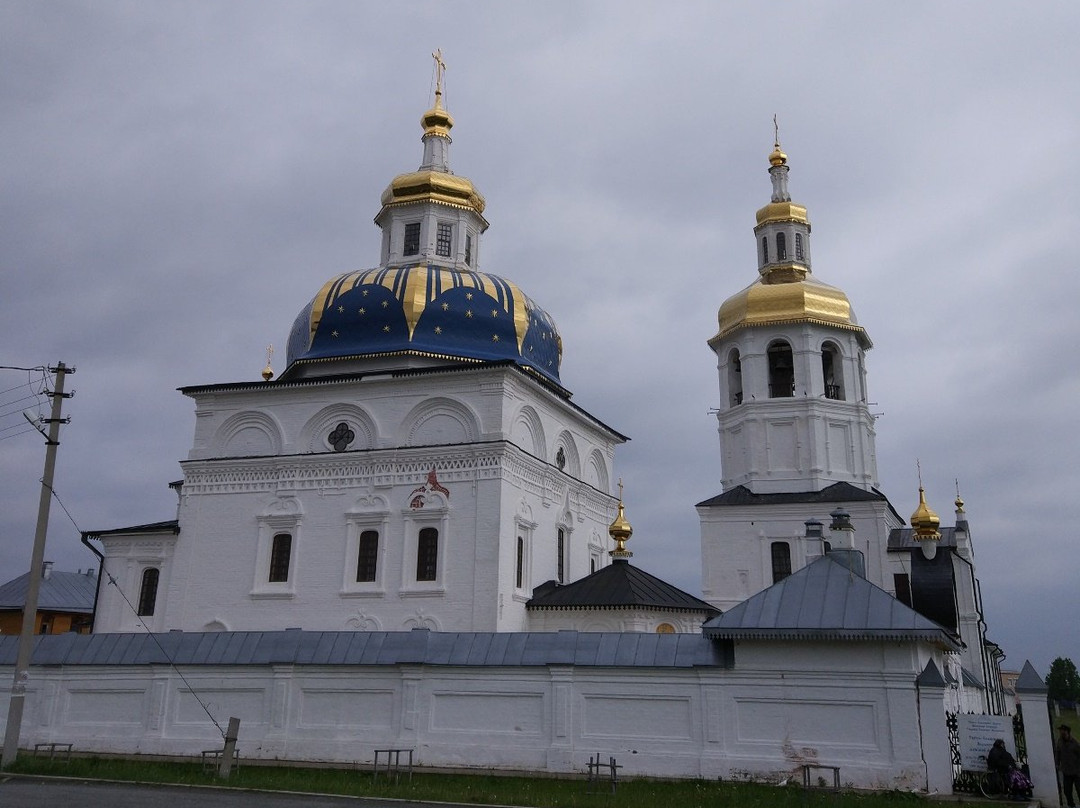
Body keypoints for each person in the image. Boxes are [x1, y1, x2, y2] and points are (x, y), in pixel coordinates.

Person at [1058, 724, 1080, 808]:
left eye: (1062, 730)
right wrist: (1057, 763)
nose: (1061, 732)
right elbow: (1058, 752)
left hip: (1076, 771)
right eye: (1060, 731)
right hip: (1066, 771)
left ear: (1067, 731)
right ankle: (1071, 805)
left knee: (1079, 790)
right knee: (1067, 791)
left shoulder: (1074, 742)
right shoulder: (1060, 742)